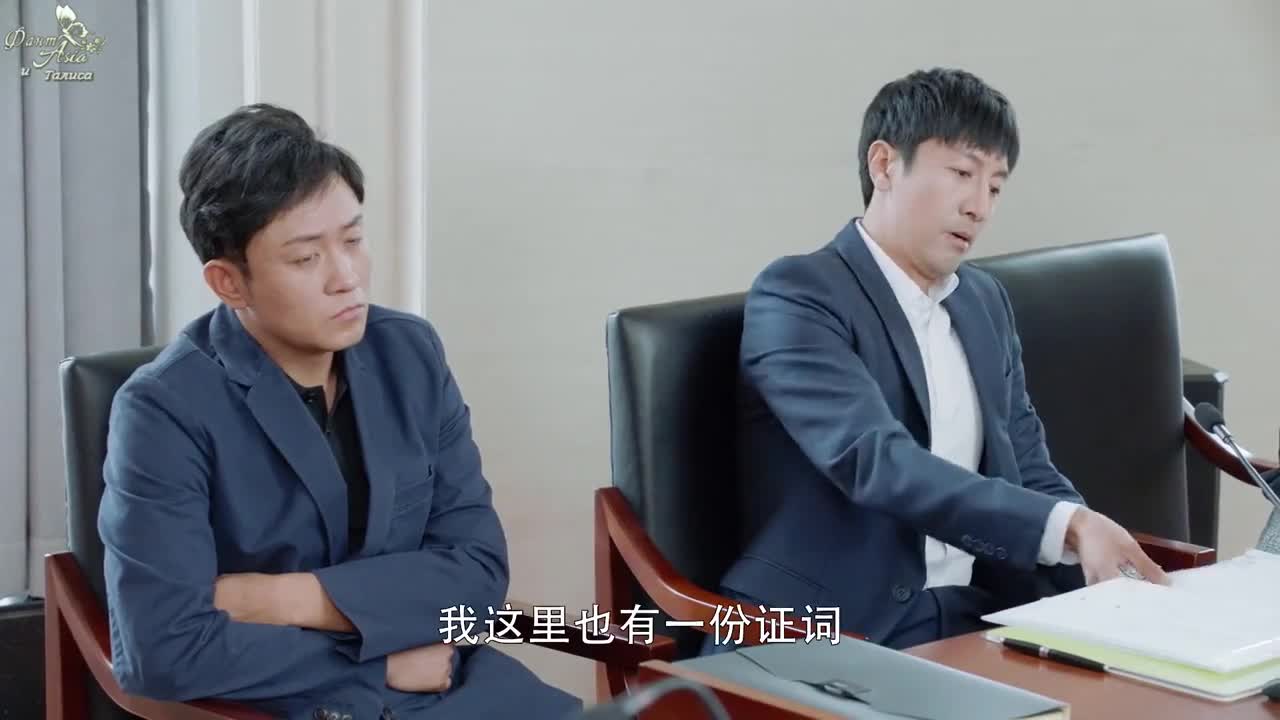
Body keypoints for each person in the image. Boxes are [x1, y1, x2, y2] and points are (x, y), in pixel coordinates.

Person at [98, 104, 581, 719]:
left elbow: (478, 575)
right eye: (307, 259)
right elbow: (161, 649)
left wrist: (279, 599)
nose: (347, 277)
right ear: (229, 283)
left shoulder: (409, 353)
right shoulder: (162, 409)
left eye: (353, 240)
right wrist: (377, 663)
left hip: (456, 685)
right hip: (297, 705)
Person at [708, 68, 1169, 652]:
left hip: (975, 612)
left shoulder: (983, 301)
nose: (979, 208)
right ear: (884, 165)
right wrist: (1067, 527)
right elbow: (875, 461)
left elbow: (1027, 464)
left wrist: (1097, 559)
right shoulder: (799, 293)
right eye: (961, 174)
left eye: (995, 187)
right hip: (827, 626)